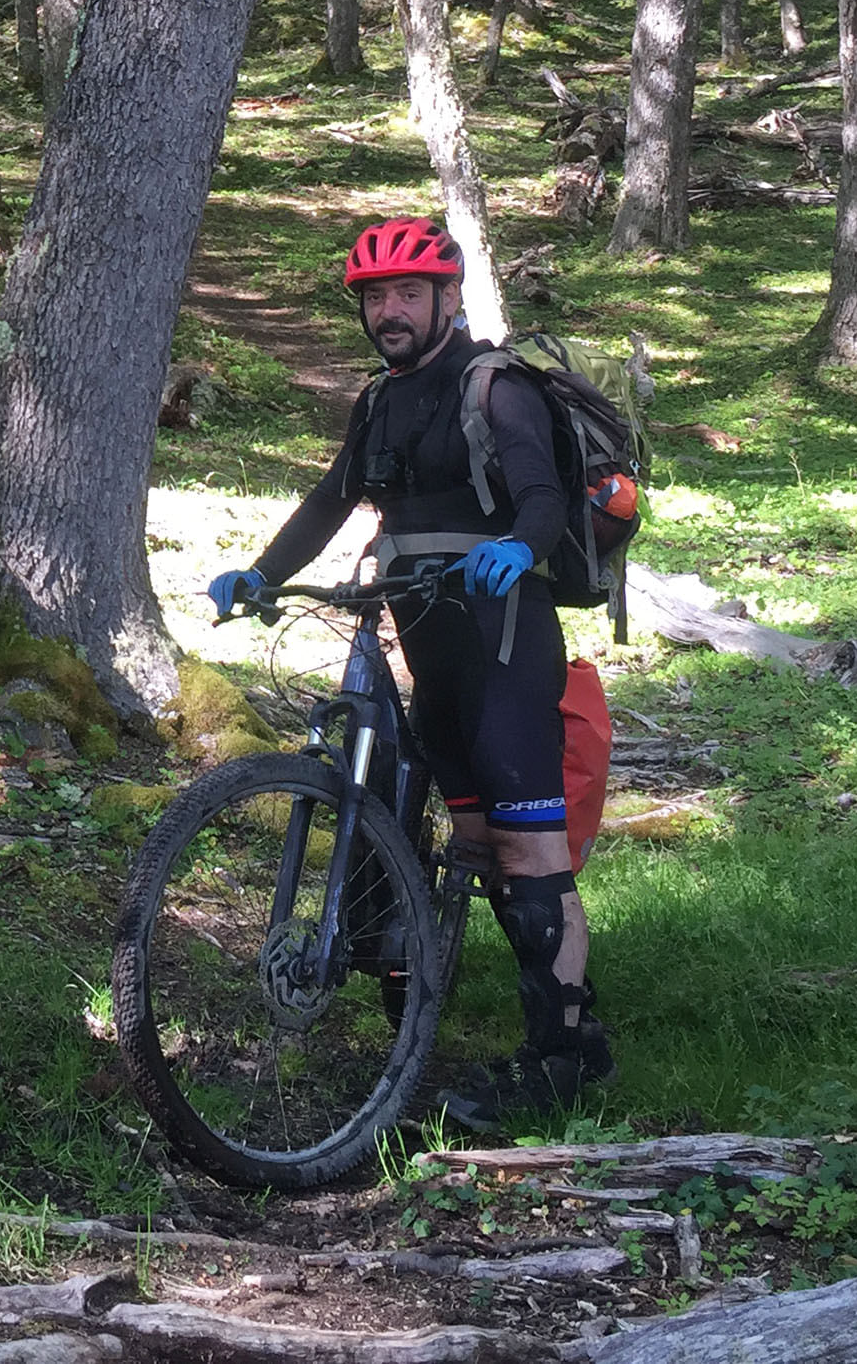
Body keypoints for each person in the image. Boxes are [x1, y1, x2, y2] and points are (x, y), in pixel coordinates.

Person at [202, 214, 611, 1127]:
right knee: (480, 848)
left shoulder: (494, 386)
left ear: (448, 298)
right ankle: (565, 1020)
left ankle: (562, 1058)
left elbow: (542, 497)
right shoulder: (379, 402)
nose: (390, 310)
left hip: (506, 645)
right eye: (376, 296)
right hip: (433, 650)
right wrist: (263, 574)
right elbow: (330, 499)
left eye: (408, 294)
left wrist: (518, 546)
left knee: (531, 853)